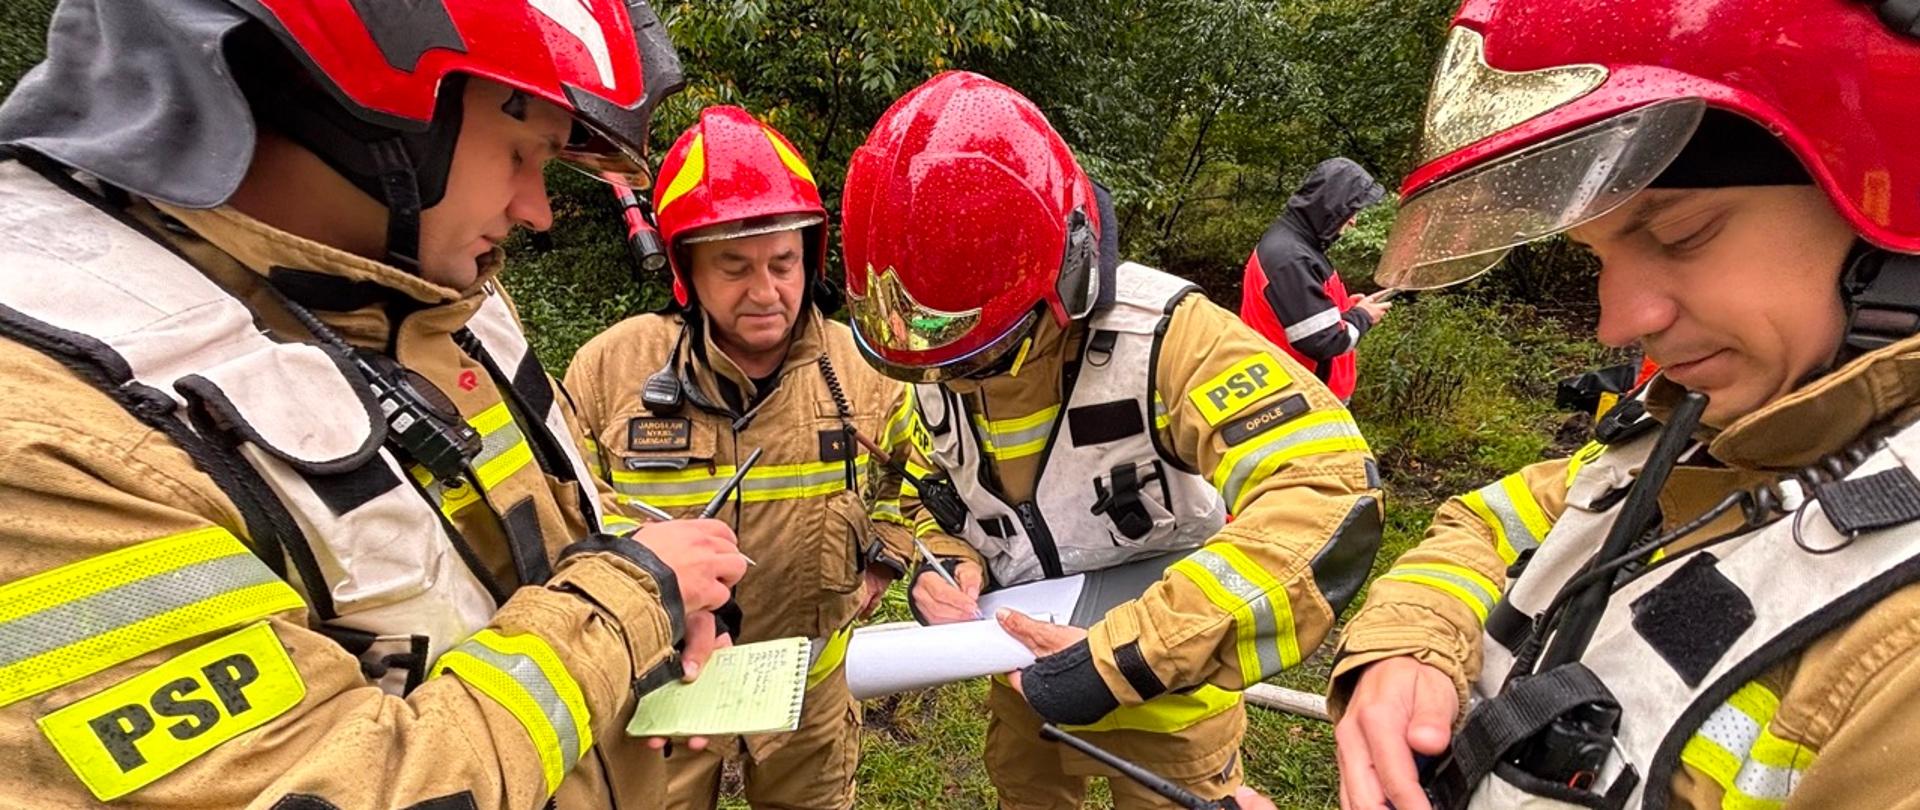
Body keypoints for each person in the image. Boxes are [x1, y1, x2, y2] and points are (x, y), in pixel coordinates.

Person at [0, 1, 749, 806]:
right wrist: (628, 598)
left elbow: (528, 541)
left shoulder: (431, 302)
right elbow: (327, 785)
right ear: (371, 115)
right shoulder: (51, 431)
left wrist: (658, 598)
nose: (536, 210)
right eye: (521, 154)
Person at [1328, 1, 1920, 808]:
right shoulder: (1700, 429)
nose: (1619, 319)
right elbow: (1492, 522)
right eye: (1599, 255)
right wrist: (1414, 645)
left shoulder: (1900, 655)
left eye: (1681, 234)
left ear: (1889, 218)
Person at [839, 71, 1385, 809]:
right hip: (1024, 690)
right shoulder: (931, 341)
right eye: (930, 360)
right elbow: (929, 494)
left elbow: (1330, 488)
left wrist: (1129, 653)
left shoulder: (1166, 337)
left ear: (1064, 284)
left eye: (974, 357)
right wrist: (950, 563)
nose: (950, 379)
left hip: (1173, 704)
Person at [564, 105, 916, 810]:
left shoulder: (868, 368)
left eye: (783, 263)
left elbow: (920, 483)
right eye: (733, 266)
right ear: (684, 268)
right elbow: (567, 514)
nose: (765, 292)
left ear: (810, 257)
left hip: (809, 701)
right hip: (663, 701)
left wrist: (886, 555)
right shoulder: (612, 369)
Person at [1237, 157, 1391, 402]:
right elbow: (1322, 340)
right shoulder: (1291, 257)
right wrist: (1362, 317)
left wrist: (1346, 310)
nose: (1353, 220)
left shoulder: (1295, 244)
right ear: (1332, 205)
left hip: (1300, 390)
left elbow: (1299, 314)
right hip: (1302, 399)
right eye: (1351, 211)